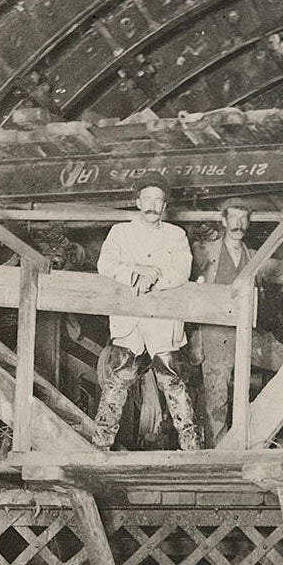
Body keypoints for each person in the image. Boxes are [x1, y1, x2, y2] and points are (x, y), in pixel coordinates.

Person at [94, 184, 202, 450]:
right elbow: (105, 265)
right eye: (147, 199)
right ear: (137, 202)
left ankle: (191, 447)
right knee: (117, 378)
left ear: (165, 206)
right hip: (129, 320)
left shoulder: (176, 236)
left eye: (158, 200)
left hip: (163, 321)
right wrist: (136, 272)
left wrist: (155, 276)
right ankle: (100, 444)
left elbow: (181, 271)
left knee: (173, 381)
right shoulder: (120, 232)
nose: (152, 205)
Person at [189, 199, 283, 444]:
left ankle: (268, 430)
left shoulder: (253, 258)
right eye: (234, 218)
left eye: (243, 218)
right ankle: (221, 456)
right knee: (216, 405)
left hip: (248, 335)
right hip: (215, 336)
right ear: (224, 221)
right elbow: (186, 280)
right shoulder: (207, 251)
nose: (239, 224)